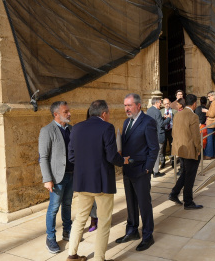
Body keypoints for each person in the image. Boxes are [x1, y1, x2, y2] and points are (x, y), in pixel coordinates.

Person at [66, 100, 129, 261]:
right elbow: (111, 155)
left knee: (80, 218)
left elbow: (72, 157)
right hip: (101, 183)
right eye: (108, 113)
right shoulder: (106, 127)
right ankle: (99, 258)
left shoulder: (77, 127)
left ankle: (71, 255)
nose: (109, 116)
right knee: (104, 221)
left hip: (82, 182)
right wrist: (123, 161)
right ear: (103, 114)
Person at [116, 93, 159, 251]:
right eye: (125, 105)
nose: (126, 108)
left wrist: (148, 168)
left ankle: (148, 235)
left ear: (138, 106)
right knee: (130, 202)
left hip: (141, 170)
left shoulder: (148, 122)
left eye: (129, 105)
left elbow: (154, 148)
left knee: (144, 204)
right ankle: (132, 231)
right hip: (128, 169)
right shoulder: (127, 121)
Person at [38, 101, 74, 254]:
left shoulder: (71, 129)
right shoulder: (47, 130)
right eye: (66, 112)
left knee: (67, 205)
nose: (69, 114)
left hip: (72, 174)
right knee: (53, 208)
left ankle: (67, 231)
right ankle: (50, 238)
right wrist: (47, 179)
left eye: (68, 111)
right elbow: (43, 157)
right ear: (56, 114)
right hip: (56, 177)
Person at [168, 94, 204, 210]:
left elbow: (174, 132)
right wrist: (199, 149)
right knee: (190, 176)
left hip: (180, 149)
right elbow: (196, 136)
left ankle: (174, 193)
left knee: (185, 172)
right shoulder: (193, 116)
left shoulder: (177, 115)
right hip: (190, 150)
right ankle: (188, 201)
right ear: (194, 104)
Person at [147, 97, 170, 178]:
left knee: (152, 153)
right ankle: (156, 172)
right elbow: (160, 124)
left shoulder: (149, 110)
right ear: (156, 103)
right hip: (158, 135)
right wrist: (168, 119)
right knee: (156, 154)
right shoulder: (157, 111)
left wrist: (163, 118)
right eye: (160, 103)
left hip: (151, 135)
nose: (161, 104)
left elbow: (155, 121)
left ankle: (151, 169)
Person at [203, 91, 215, 160]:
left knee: (210, 139)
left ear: (213, 95)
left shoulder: (214, 103)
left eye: (209, 96)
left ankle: (208, 155)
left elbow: (211, 114)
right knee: (214, 140)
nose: (208, 98)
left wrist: (206, 111)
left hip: (211, 123)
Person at [161, 98, 177, 169]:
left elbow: (177, 121)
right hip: (164, 131)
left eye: (168, 103)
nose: (167, 105)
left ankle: (173, 161)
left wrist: (170, 118)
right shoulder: (160, 111)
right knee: (163, 147)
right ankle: (163, 162)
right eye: (165, 104)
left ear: (170, 103)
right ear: (163, 104)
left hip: (171, 130)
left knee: (172, 146)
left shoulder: (174, 111)